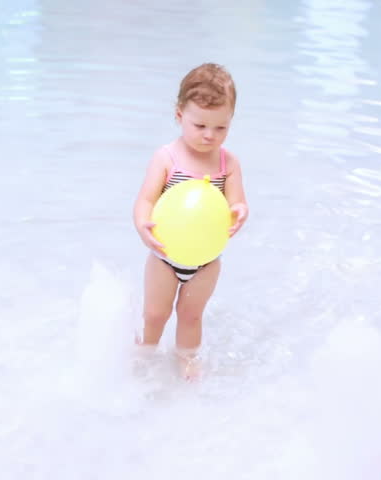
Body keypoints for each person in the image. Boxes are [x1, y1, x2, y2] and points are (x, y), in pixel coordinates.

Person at [132, 63, 249, 380]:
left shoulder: (228, 163)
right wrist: (143, 224)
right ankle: (145, 354)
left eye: (221, 128)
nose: (210, 135)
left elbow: (236, 200)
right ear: (179, 114)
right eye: (200, 125)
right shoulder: (167, 158)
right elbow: (146, 199)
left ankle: (187, 357)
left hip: (206, 261)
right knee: (156, 314)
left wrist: (239, 210)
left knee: (191, 315)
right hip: (164, 256)